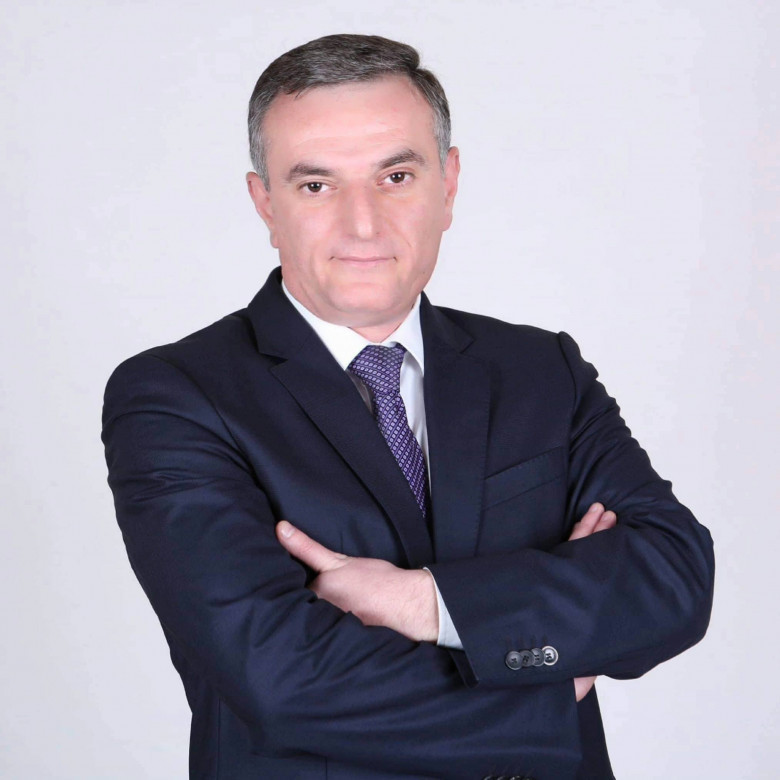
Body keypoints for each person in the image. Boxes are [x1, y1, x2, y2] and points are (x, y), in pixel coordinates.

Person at [102, 33, 715, 780]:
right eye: (316, 185)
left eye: (395, 176)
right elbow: (282, 682)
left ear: (448, 185)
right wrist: (555, 681)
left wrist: (426, 602)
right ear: (266, 204)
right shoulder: (175, 397)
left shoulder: (540, 369)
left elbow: (675, 578)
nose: (362, 224)